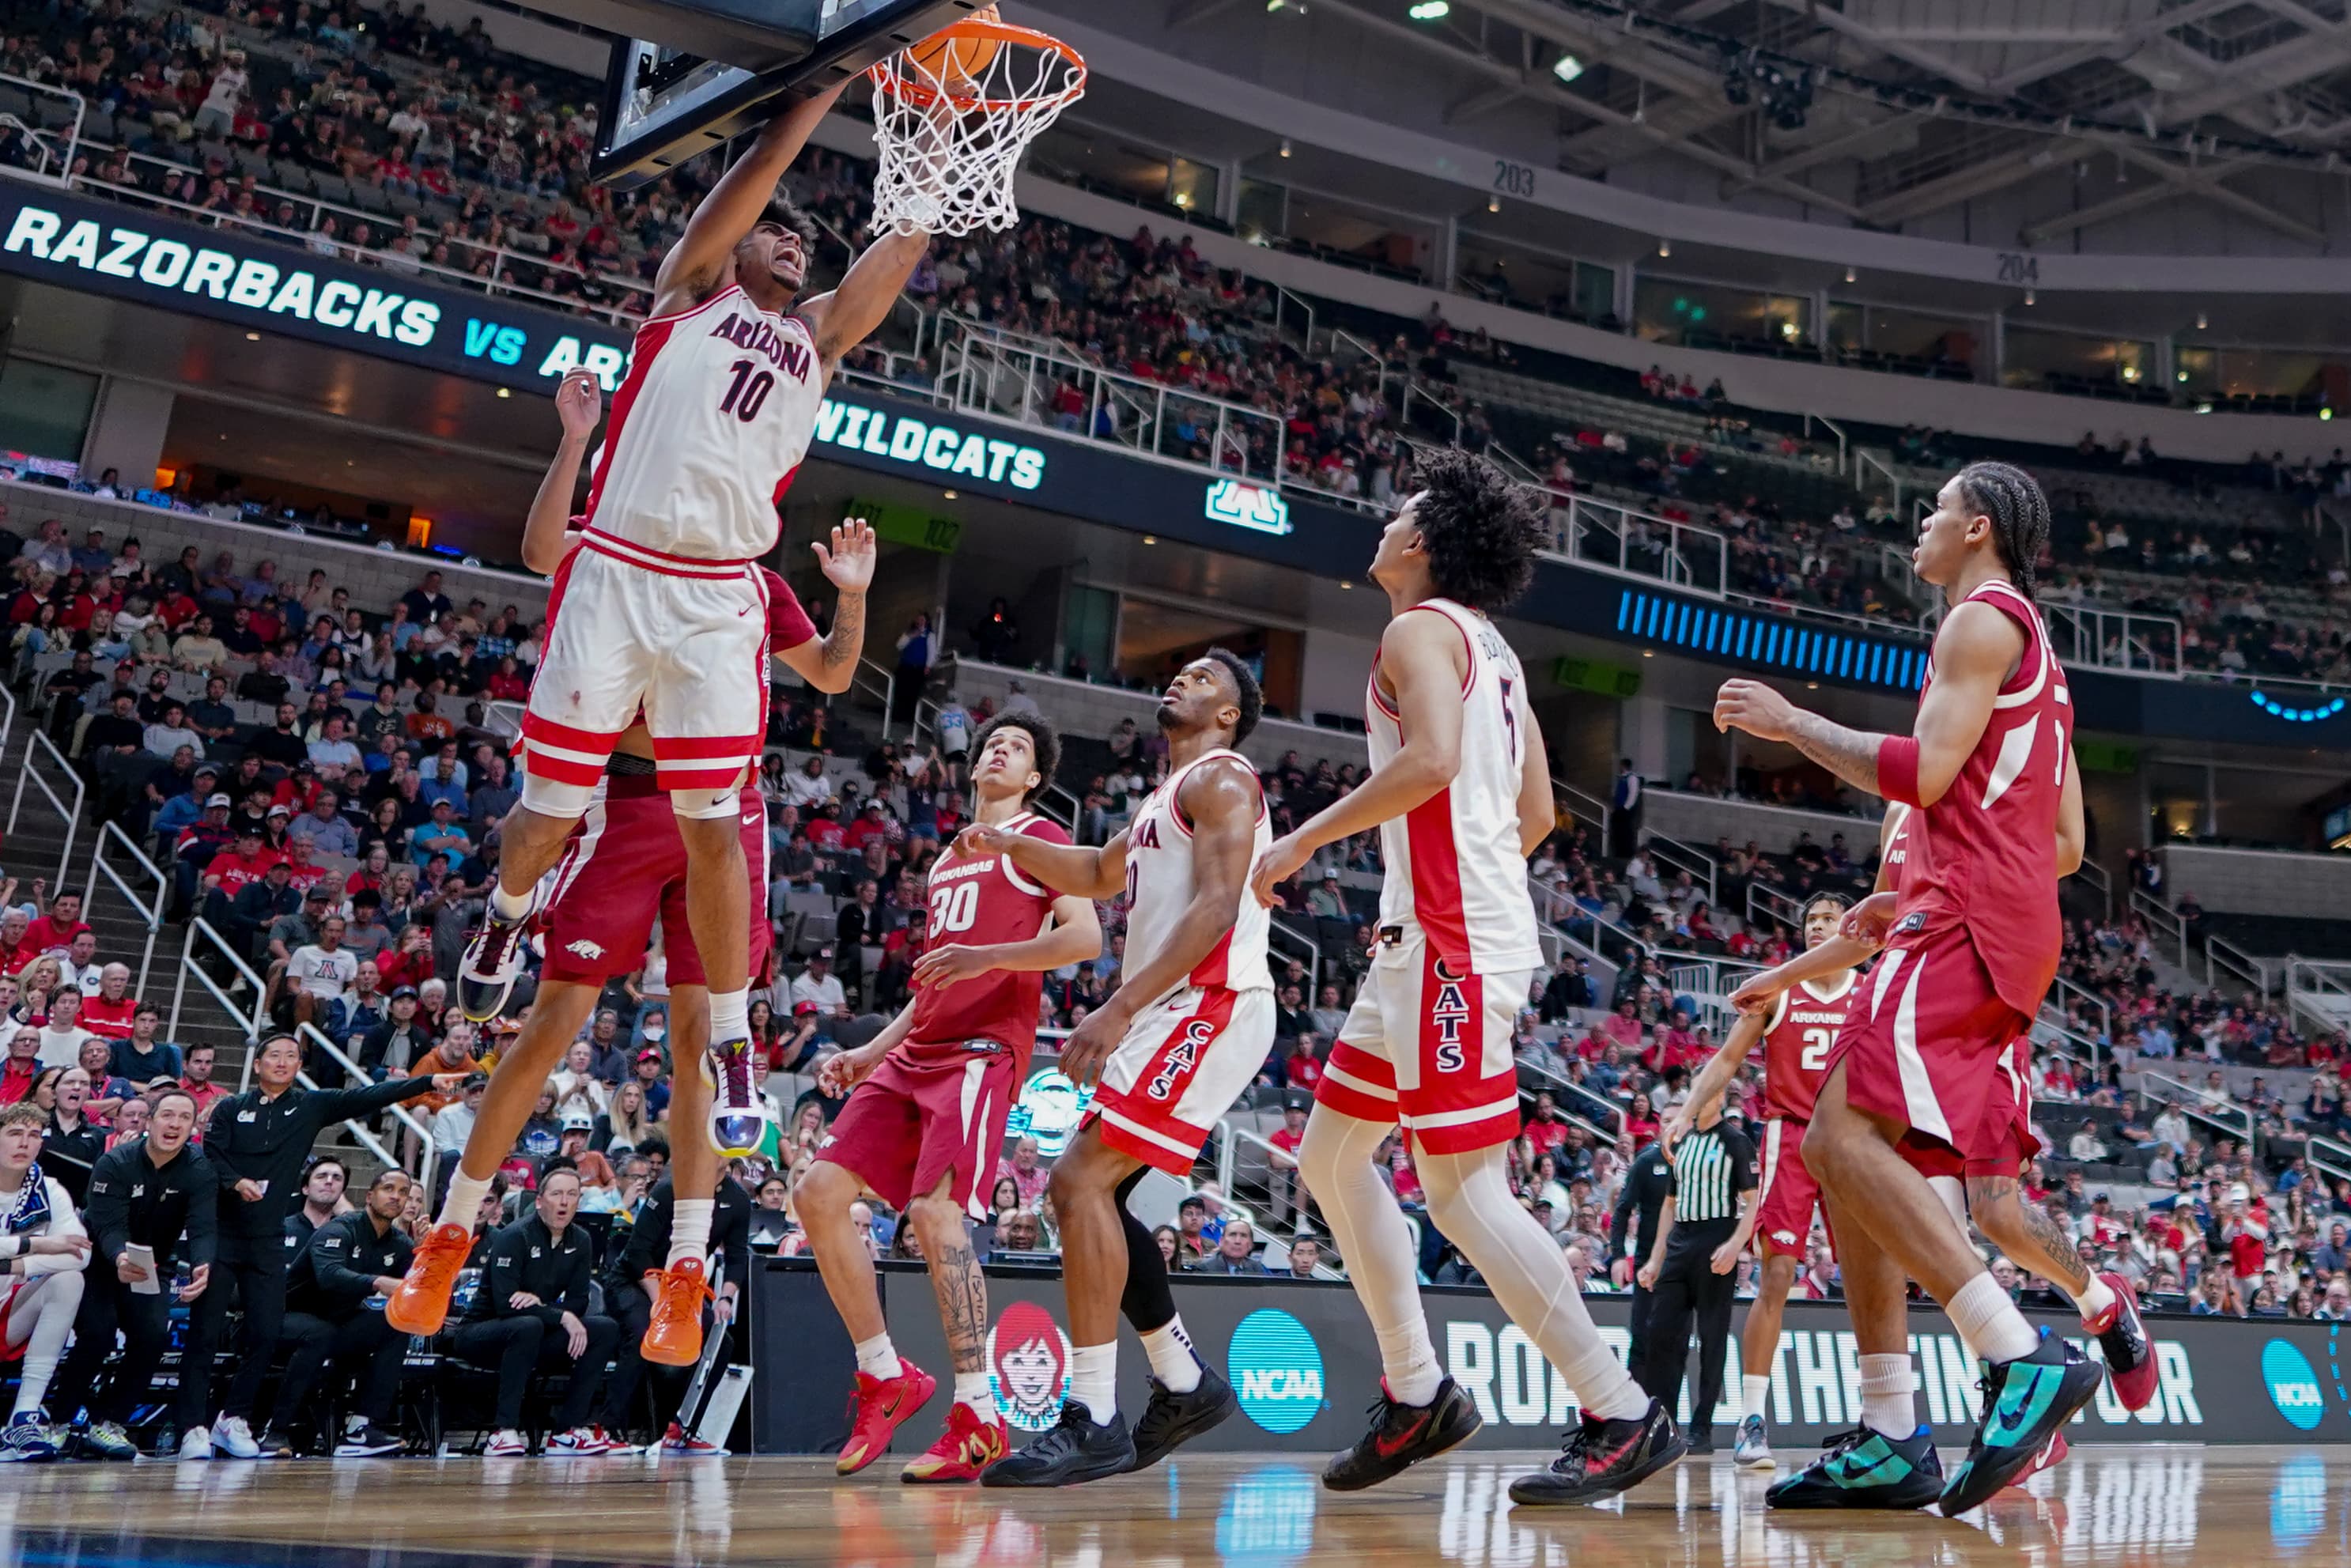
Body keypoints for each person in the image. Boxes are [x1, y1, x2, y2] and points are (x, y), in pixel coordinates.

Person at [454, 74, 924, 1161]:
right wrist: (819, 93)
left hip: (722, 590)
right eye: (780, 236)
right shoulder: (688, 297)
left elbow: (885, 271)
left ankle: (728, 1039)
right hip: (616, 567)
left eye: (807, 242)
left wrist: (933, 179)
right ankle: (505, 911)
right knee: (547, 813)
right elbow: (752, 180)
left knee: (720, 824)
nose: (794, 245)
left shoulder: (817, 342)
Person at [1248, 451, 1672, 1504]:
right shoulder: (1500, 653)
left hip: (1449, 938)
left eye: (1400, 514)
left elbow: (1432, 759)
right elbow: (1533, 815)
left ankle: (1618, 1405)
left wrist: (1303, 839)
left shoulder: (1416, 628)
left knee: (1463, 1188)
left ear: (1425, 544)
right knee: (1332, 1155)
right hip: (1432, 935)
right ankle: (1416, 1389)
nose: (1383, 523)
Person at [1711, 461, 2103, 1514]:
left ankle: (2017, 1351)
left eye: (1931, 512)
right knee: (1848, 1157)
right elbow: (2065, 840)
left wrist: (1792, 721)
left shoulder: (1978, 622)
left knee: (1836, 1141)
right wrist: (1958, 863)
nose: (1917, 530)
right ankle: (1892, 1428)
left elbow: (1923, 775)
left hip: (1963, 919)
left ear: (1976, 527)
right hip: (1989, 914)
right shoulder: (2042, 654)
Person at [387, 392, 811, 1355]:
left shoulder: (749, 577)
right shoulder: (608, 547)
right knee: (551, 1022)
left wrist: (858, 594)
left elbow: (827, 672)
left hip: (723, 810)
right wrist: (575, 441)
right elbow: (543, 548)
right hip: (618, 805)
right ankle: (449, 1235)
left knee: (705, 1040)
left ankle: (688, 1272)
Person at [971, 652, 1272, 1487]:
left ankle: (1098, 1416)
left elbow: (1217, 909)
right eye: (1180, 672)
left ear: (1229, 715)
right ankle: (1182, 1382)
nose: (1182, 680)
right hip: (1175, 1005)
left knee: (1076, 1183)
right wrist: (1007, 844)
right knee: (1097, 1196)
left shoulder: (1223, 781)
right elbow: (1096, 872)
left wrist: (1120, 1007)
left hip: (1210, 998)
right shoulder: (1160, 802)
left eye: (1206, 678)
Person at [803, 712, 1100, 1481]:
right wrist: (870, 1053)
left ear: (1034, 777)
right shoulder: (943, 861)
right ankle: (884, 1373)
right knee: (817, 1193)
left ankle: (978, 1414)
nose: (1000, 750)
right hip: (915, 1051)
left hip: (979, 1053)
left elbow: (1084, 939)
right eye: (993, 742)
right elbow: (935, 977)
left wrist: (988, 958)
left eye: (1019, 748)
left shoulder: (1042, 839)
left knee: (936, 1217)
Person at [1656, 892, 1854, 1469]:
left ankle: (1884, 1420)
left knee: (1870, 1277)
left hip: (1852, 1141)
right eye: (1810, 919)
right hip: (1788, 1135)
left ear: (1849, 927)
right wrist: (1685, 1110)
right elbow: (1723, 1060)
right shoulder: (1778, 990)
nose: (1817, 926)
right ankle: (1750, 1420)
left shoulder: (1871, 989)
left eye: (1828, 919)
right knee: (1777, 1274)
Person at [191, 1035, 458, 1460]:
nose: (282, 1063)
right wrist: (234, 1182)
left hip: (267, 1245)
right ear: (257, 1063)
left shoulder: (310, 1105)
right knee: (208, 1336)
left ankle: (240, 1419)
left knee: (268, 1335)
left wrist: (424, 1083)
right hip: (225, 1235)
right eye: (274, 1056)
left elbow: (371, 1094)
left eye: (291, 1057)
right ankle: (194, 1427)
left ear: (300, 1065)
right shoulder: (230, 1107)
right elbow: (210, 1154)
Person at [49, 1088, 216, 1460]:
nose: (174, 1124)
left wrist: (204, 1264)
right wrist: (120, 1257)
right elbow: (107, 1225)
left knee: (153, 1334)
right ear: (150, 1120)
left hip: (154, 1264)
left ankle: (108, 1423)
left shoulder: (200, 1169)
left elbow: (204, 1227)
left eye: (184, 1118)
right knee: (98, 1333)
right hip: (99, 1260)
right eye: (167, 1115)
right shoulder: (116, 1162)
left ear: (193, 1127)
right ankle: (57, 1422)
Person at [442, 1166, 620, 1456]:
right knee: (526, 1325)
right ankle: (504, 1431)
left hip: (535, 1331)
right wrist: (559, 1315)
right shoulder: (514, 1236)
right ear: (539, 1201)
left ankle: (567, 1430)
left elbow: (578, 1302)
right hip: (480, 1333)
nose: (564, 1202)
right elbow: (505, 1304)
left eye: (572, 1195)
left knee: (604, 1328)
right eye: (557, 1194)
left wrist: (547, 1310)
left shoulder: (582, 1240)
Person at [1633, 1086, 1756, 1453]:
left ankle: (1701, 1426)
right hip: (1680, 1242)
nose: (1700, 1098)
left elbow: (1753, 1200)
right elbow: (1669, 1205)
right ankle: (1662, 1422)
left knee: (1712, 1337)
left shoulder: (1736, 1141)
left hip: (1716, 1237)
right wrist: (1656, 1258)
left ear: (1719, 1098)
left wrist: (1735, 1245)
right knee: (1661, 1334)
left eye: (1708, 1091)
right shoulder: (1683, 1142)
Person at [260, 1167, 415, 1457]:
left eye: (403, 1192)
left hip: (336, 1322)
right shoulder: (340, 1229)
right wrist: (377, 1282)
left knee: (396, 1324)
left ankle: (361, 1427)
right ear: (370, 1196)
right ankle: (275, 1429)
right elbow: (329, 1277)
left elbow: (412, 1287)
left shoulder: (401, 1244)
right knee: (320, 1333)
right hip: (284, 1317)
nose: (396, 1197)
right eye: (388, 1189)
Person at [600, 1166, 752, 1454]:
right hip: (634, 1280)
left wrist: (725, 1297)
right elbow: (636, 1252)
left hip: (685, 1291)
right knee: (645, 1332)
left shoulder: (738, 1199)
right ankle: (609, 1428)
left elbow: (736, 1254)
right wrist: (660, 1300)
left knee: (721, 1343)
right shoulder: (669, 1189)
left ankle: (682, 1428)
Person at [0, 1101, 91, 1460]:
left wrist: (15, 1266)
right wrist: (38, 1244)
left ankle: (23, 1419)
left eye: (34, 1135)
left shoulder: (49, 1190)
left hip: (10, 1311)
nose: (25, 1142)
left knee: (69, 1280)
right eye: (15, 1134)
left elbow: (79, 1253)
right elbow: (56, 1246)